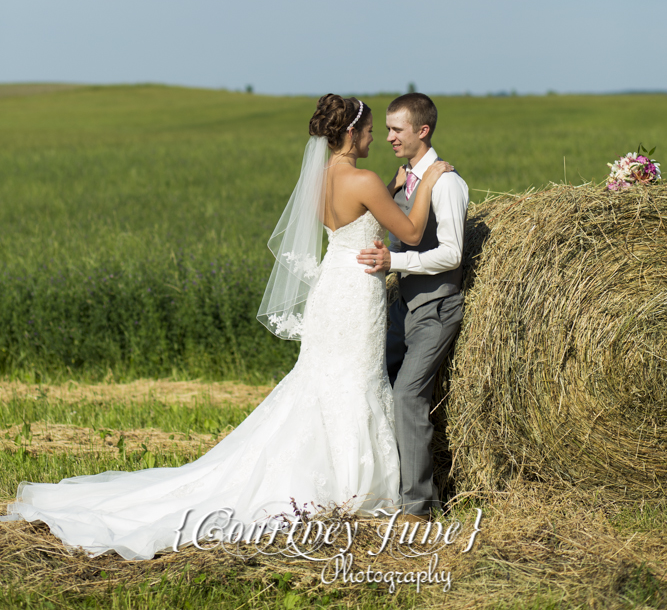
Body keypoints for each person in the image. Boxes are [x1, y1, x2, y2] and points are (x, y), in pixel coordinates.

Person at [2, 94, 450, 560]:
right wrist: (427, 181)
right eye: (371, 129)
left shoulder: (318, 182)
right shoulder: (364, 179)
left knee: (325, 381)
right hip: (357, 293)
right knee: (355, 380)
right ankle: (357, 487)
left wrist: (394, 191)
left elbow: (359, 219)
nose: (377, 136)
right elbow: (413, 234)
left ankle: (342, 479)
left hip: (331, 289)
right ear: (352, 133)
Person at [356, 93, 468, 523]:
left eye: (396, 130)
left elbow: (453, 254)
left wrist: (393, 261)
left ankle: (418, 507)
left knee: (407, 394)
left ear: (422, 131)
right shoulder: (406, 178)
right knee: (370, 377)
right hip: (404, 306)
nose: (387, 137)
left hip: (437, 308)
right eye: (385, 129)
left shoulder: (447, 184)